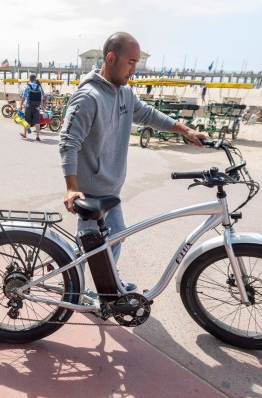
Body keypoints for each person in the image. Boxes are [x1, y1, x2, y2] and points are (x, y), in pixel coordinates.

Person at [59, 32, 205, 291]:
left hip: (111, 186)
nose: (134, 70)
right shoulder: (88, 97)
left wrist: (185, 130)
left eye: (137, 63)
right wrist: (71, 187)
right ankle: (74, 289)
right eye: (131, 62)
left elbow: (148, 114)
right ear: (111, 57)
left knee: (113, 236)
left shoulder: (124, 92)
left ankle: (107, 283)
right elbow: (69, 142)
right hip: (91, 188)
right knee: (90, 243)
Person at [19, 73, 44, 141]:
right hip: (36, 107)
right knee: (37, 122)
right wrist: (42, 107)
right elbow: (41, 98)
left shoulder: (27, 86)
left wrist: (20, 105)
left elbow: (23, 97)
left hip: (28, 106)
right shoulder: (38, 87)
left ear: (29, 79)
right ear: (35, 79)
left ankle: (25, 134)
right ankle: (37, 136)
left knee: (26, 121)